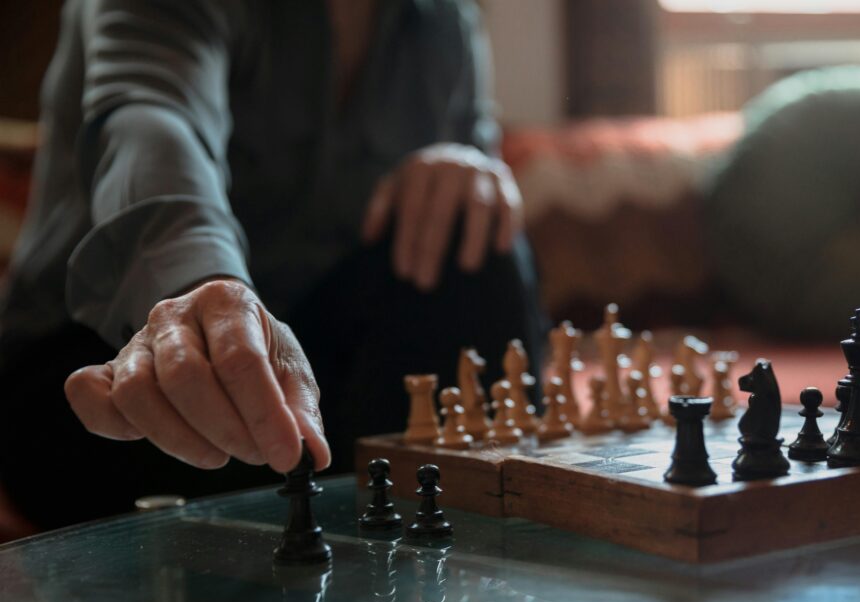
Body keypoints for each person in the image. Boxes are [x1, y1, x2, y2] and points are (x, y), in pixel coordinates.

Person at [0, 0, 545, 532]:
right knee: (248, 422)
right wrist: (200, 285)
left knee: (478, 240)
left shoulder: (445, 19)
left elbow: (475, 192)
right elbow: (153, 120)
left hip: (311, 373)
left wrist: (469, 169)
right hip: (95, 365)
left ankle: (488, 543)